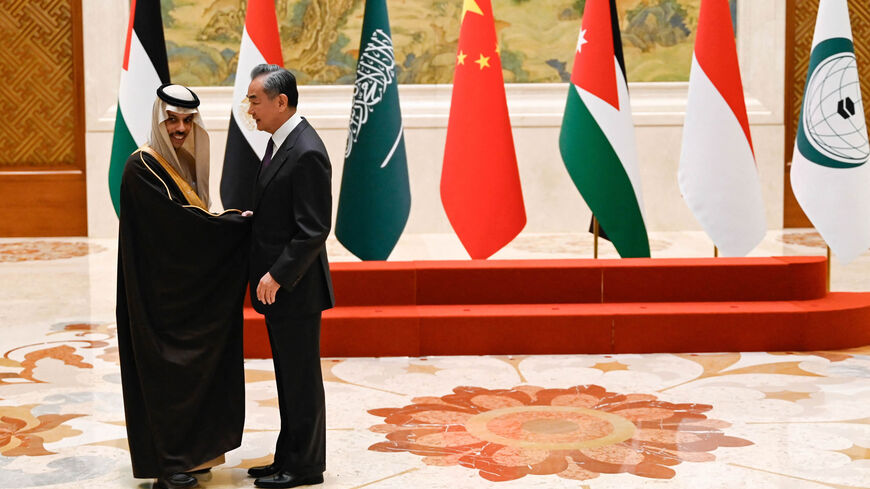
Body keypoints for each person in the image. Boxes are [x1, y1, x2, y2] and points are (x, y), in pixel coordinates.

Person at [115, 84, 251, 489]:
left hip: (180, 291)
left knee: (195, 371)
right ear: (160, 120)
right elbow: (178, 229)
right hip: (156, 299)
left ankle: (194, 454)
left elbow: (190, 222)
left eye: (187, 121)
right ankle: (168, 463)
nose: (179, 128)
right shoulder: (142, 166)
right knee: (167, 377)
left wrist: (223, 224)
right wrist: (231, 227)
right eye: (171, 120)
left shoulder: (179, 163)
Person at [243, 64, 334, 489]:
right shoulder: (281, 142)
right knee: (288, 377)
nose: (250, 109)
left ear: (281, 102)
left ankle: (305, 466)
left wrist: (277, 275)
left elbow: (314, 228)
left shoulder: (307, 150)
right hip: (281, 288)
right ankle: (287, 456)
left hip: (295, 288)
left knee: (300, 380)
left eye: (255, 101)